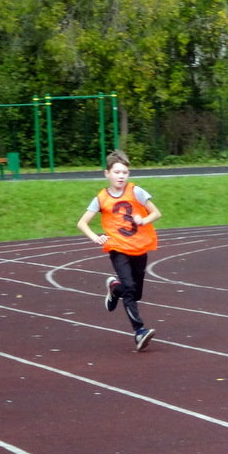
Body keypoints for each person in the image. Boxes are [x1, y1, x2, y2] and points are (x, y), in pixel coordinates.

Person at [76, 149, 161, 351]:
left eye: (125, 172)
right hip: (117, 247)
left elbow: (156, 212)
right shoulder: (101, 198)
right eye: (117, 172)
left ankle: (115, 288)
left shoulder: (136, 191)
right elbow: (82, 222)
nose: (121, 176)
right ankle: (139, 331)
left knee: (135, 292)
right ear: (107, 174)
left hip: (139, 247)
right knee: (130, 287)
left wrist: (144, 219)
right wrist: (96, 237)